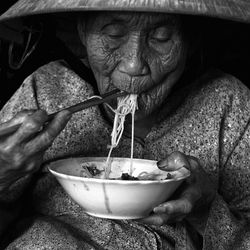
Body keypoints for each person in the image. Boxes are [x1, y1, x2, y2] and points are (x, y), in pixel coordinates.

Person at [0, 1, 249, 249]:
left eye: (161, 37)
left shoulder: (227, 103)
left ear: (190, 40)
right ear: (83, 32)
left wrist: (206, 212)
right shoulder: (47, 91)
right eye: (113, 34)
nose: (134, 65)